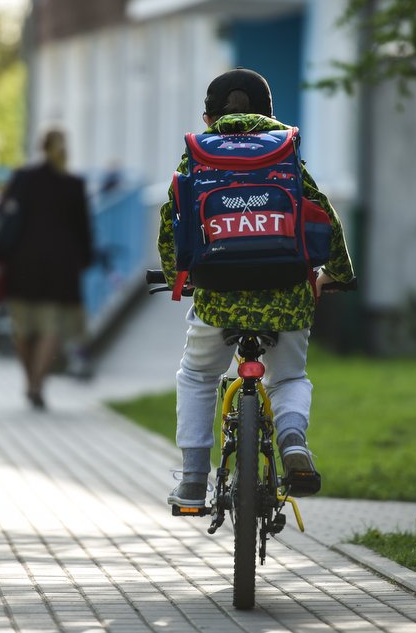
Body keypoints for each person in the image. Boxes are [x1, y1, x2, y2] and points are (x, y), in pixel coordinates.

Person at [158, 69, 356, 509]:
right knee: (289, 376)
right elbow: (323, 214)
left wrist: (178, 274)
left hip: (218, 295)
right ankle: (293, 445)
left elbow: (172, 220)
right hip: (285, 291)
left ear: (208, 117)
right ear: (269, 113)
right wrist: (335, 273)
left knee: (197, 375)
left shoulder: (196, 155)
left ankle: (192, 479)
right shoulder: (284, 150)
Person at [0, 129, 92, 410]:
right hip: (60, 270)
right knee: (50, 329)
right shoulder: (73, 184)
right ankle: (37, 384)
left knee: (23, 331)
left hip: (21, 266)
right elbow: (83, 230)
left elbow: (4, 215)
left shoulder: (23, 179)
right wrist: (85, 260)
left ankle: (30, 382)